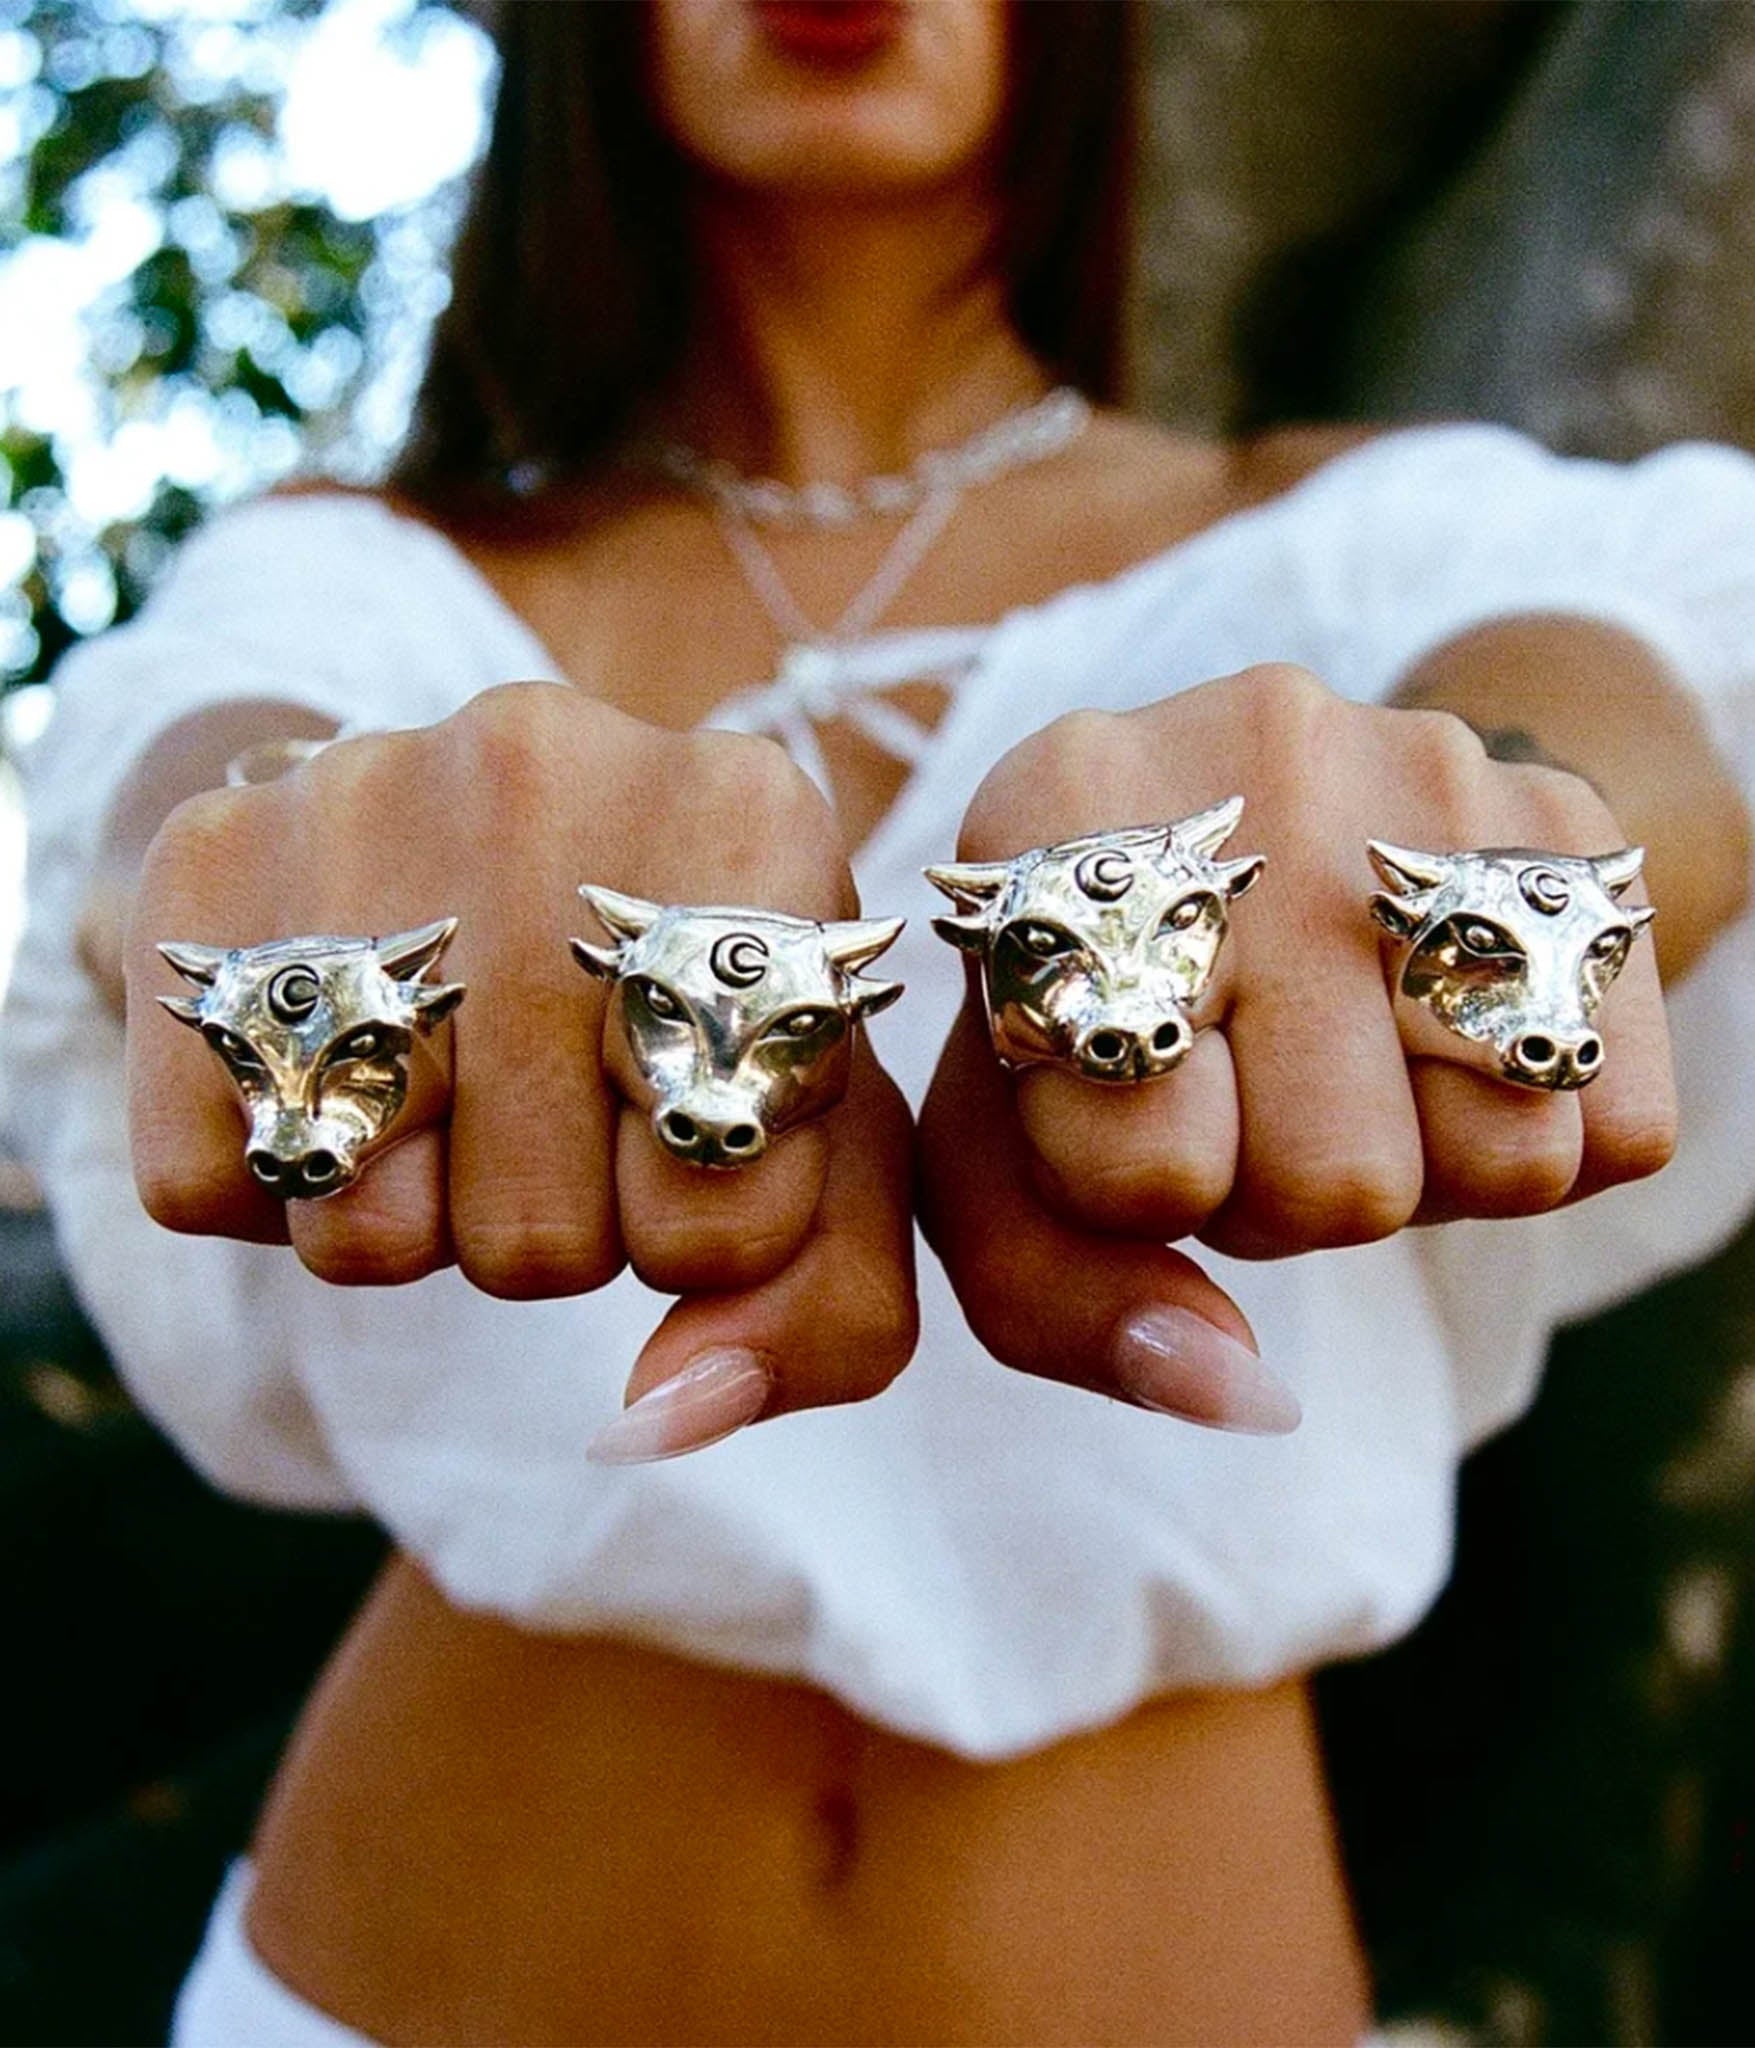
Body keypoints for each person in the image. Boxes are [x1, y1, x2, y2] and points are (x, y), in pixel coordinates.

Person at [5, 3, 1755, 2041]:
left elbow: (1638, 726)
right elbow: (188, 806)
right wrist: (294, 865)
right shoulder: (373, 582)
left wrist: (1464, 826)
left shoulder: (1355, 533)